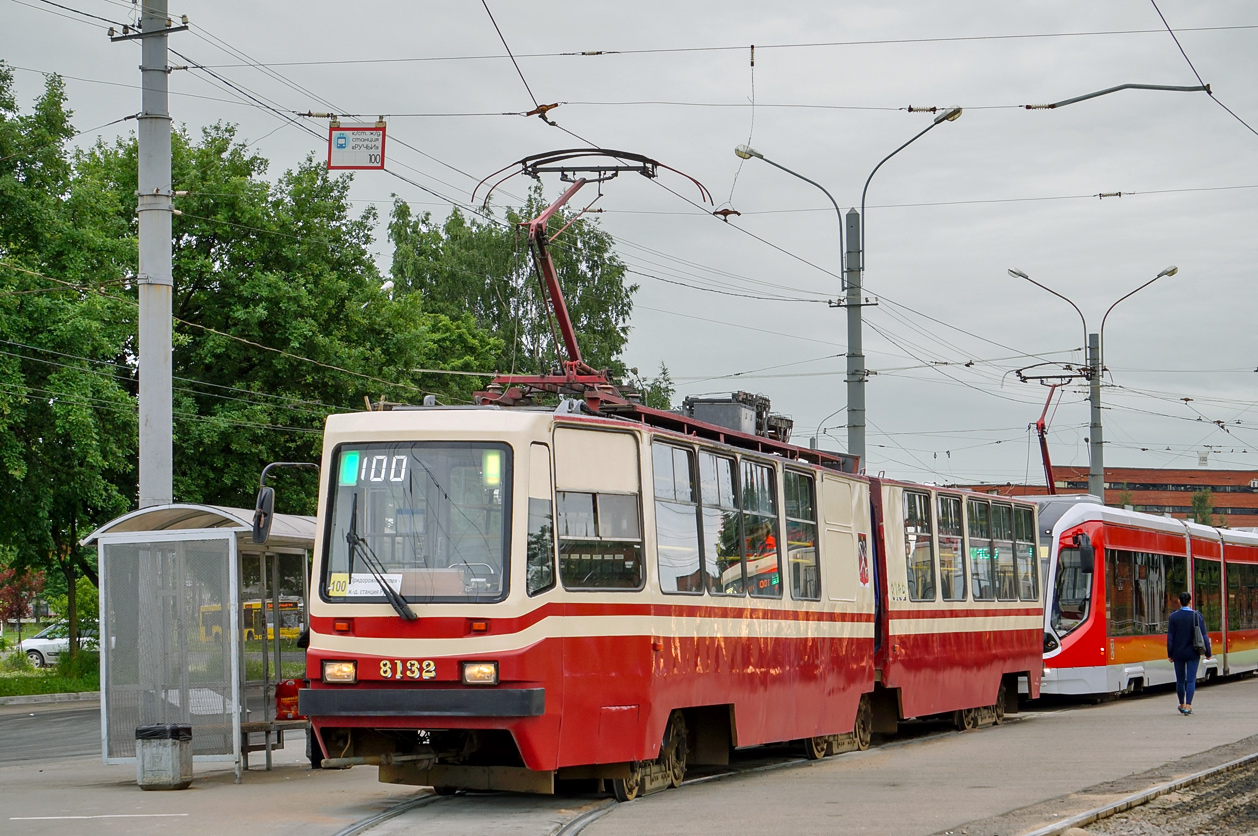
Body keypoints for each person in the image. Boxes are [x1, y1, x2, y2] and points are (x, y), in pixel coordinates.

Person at [1167, 591, 1211, 715]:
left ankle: (1181, 703)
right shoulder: (1197, 616)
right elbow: (1204, 636)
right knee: (1191, 680)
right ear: (1191, 601)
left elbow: (1170, 637)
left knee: (1180, 680)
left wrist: (1170, 653)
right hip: (1193, 652)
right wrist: (1208, 651)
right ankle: (1188, 705)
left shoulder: (1173, 617)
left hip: (1178, 653)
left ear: (1179, 602)